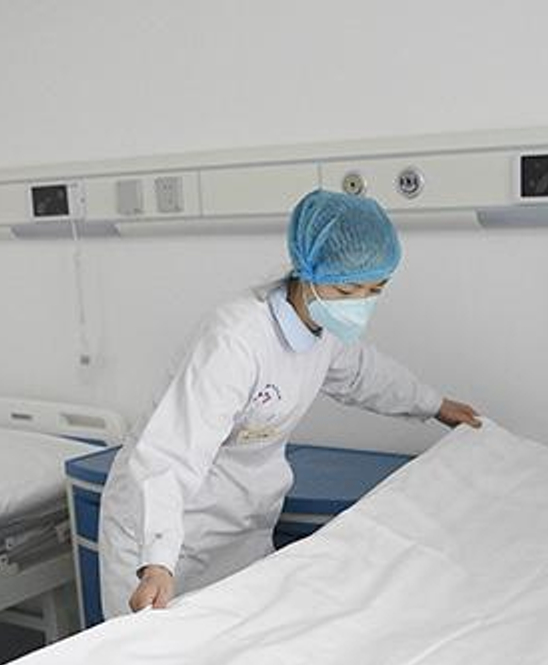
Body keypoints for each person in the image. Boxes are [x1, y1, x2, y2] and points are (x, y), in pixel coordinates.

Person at [97, 189, 480, 618]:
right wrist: (157, 561)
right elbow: (171, 454)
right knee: (155, 655)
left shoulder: (324, 330)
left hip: (240, 531)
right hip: (165, 533)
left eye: (375, 289)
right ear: (307, 271)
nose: (360, 303)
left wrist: (435, 405)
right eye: (348, 288)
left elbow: (365, 374)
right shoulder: (236, 341)